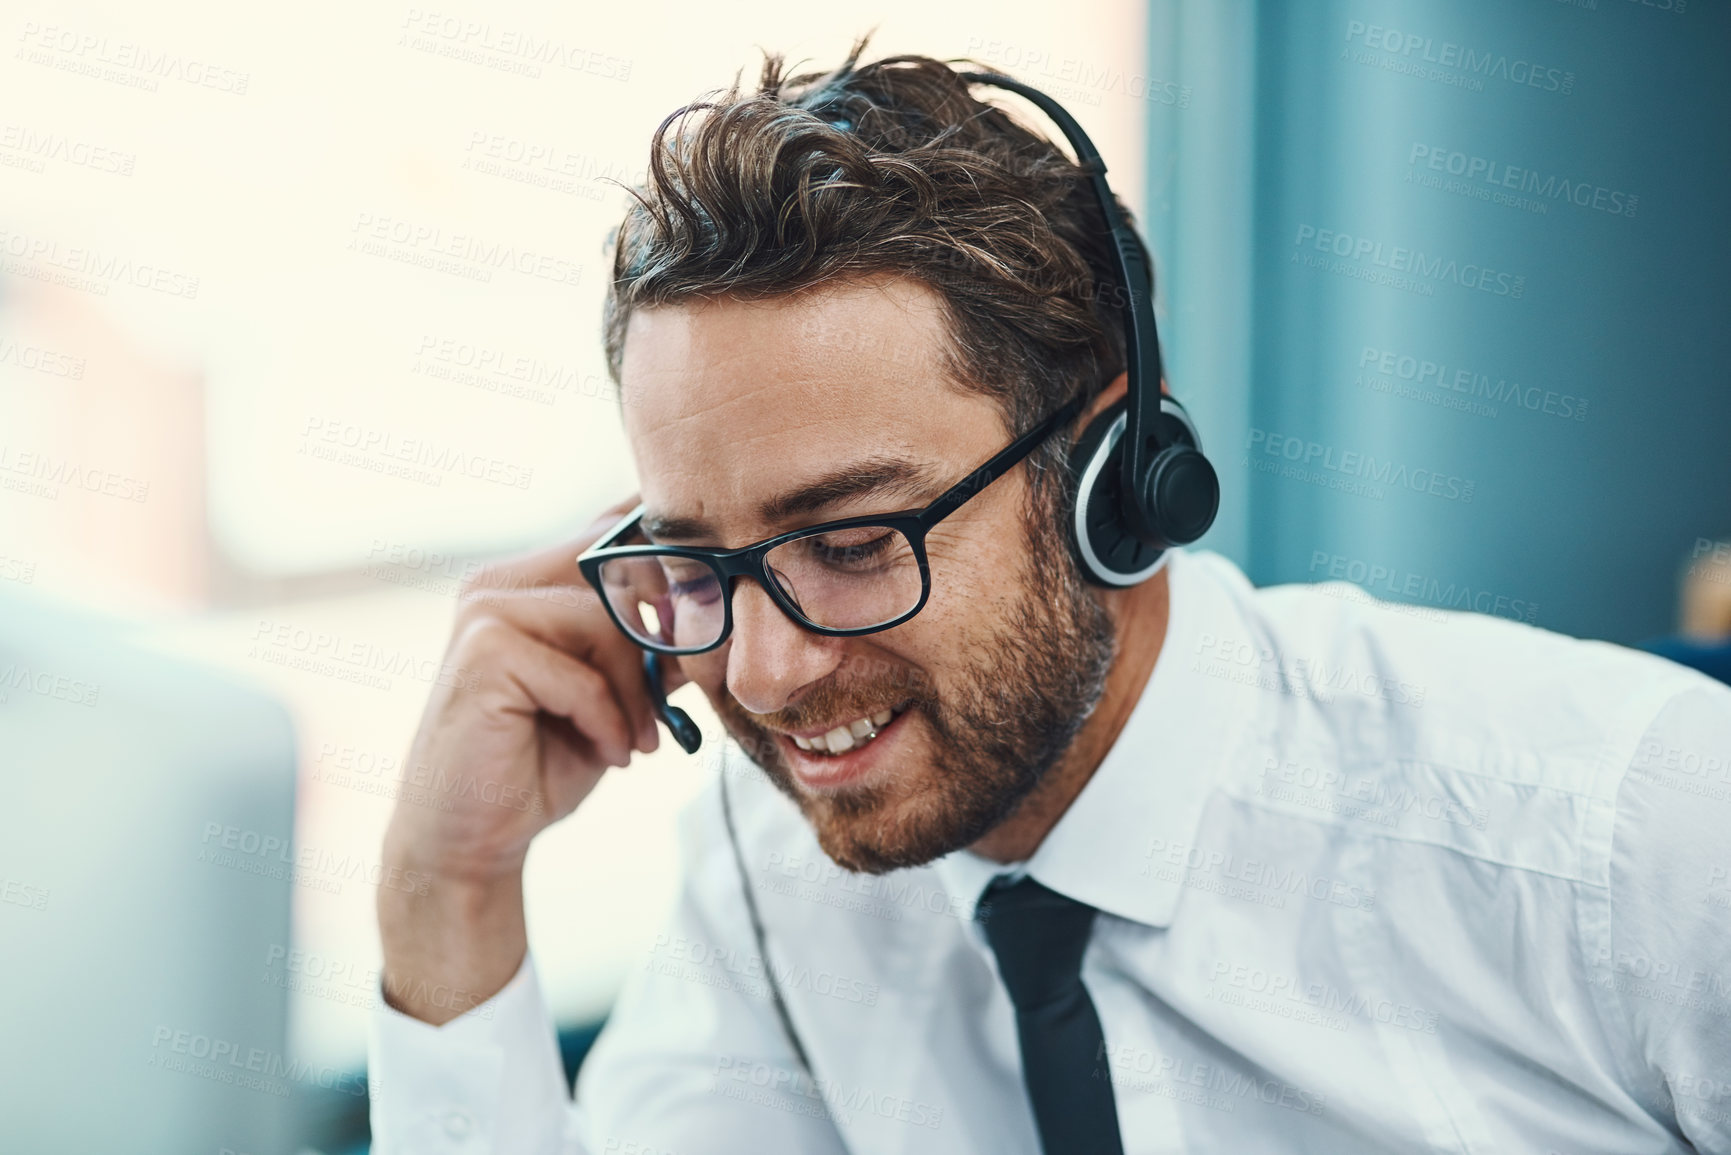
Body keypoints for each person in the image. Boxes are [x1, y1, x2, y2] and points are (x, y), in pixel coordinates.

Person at [367, 42, 1731, 1154]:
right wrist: (450, 896)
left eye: (849, 540)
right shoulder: (780, 854)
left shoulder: (1627, 843)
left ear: (1114, 483)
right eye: (699, 564)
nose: (767, 678)